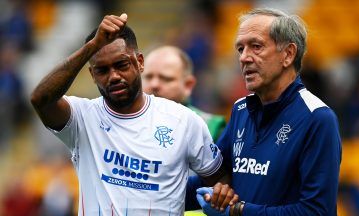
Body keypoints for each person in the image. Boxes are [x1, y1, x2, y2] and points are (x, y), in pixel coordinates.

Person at [30, 13, 235, 215]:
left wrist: (220, 195)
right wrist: (91, 47)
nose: (114, 76)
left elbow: (220, 180)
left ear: (140, 62)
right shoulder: (82, 118)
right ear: (92, 75)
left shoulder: (185, 121)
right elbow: (40, 99)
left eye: (121, 65)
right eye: (102, 70)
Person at [189, 8, 342, 215]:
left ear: (288, 54)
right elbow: (217, 175)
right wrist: (144, 188)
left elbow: (316, 211)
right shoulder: (240, 109)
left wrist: (239, 211)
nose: (244, 58)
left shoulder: (318, 118)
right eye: (240, 49)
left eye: (256, 47)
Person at [142, 45, 226, 142]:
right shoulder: (127, 122)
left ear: (188, 85)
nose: (154, 84)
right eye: (148, 77)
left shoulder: (210, 128)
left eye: (166, 79)